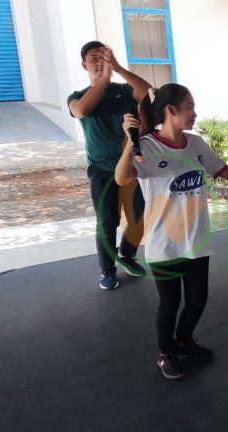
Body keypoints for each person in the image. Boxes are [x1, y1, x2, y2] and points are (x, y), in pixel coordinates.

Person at [116, 83, 228, 379]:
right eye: (190, 108)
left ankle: (182, 340)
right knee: (169, 303)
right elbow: (121, 178)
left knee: (197, 300)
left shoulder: (196, 144)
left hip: (196, 238)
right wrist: (130, 143)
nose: (194, 113)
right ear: (171, 110)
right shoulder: (147, 146)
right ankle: (165, 353)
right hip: (164, 242)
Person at [67, 41, 151, 290]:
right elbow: (81, 111)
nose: (99, 62)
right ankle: (107, 270)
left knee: (139, 217)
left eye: (103, 58)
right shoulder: (77, 97)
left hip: (131, 168)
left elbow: (148, 94)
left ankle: (127, 254)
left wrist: (119, 68)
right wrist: (103, 80)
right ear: (84, 65)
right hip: (101, 171)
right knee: (107, 223)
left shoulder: (123, 91)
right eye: (94, 58)